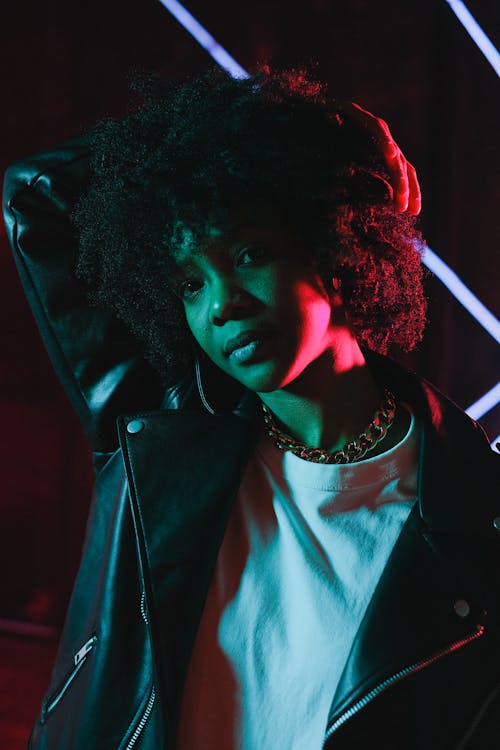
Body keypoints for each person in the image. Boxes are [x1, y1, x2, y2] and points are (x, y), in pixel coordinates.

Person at [3, 67, 499, 750]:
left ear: (333, 246)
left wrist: (307, 150)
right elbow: (33, 192)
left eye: (250, 253)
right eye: (190, 281)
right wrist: (301, 122)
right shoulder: (159, 430)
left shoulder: (472, 514)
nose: (221, 303)